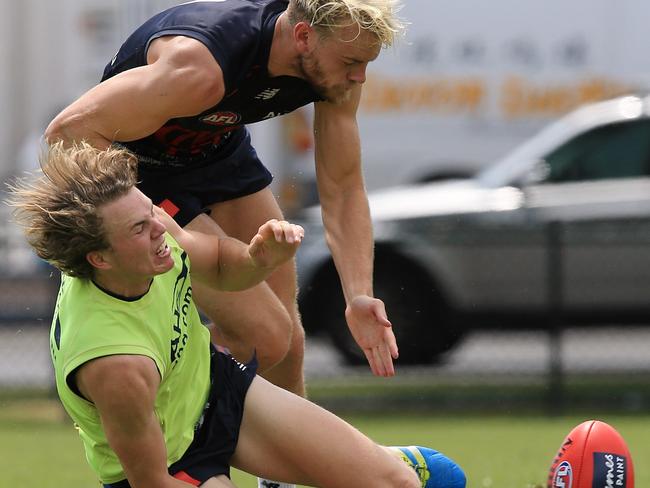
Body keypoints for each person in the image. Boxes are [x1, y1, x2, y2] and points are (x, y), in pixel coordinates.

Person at [8, 142, 466, 488]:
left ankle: (374, 462)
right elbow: (153, 483)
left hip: (218, 389)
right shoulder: (116, 363)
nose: (159, 229)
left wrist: (260, 258)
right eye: (139, 228)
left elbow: (222, 267)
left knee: (411, 481)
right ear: (100, 260)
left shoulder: (150, 236)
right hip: (171, 463)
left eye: (150, 213)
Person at [44, 1, 405, 408]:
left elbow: (342, 187)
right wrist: (141, 212)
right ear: (303, 36)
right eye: (352, 61)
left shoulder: (334, 73)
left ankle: (277, 472)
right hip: (141, 170)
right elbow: (67, 133)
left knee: (288, 344)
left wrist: (357, 295)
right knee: (265, 337)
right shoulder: (200, 66)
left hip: (217, 154)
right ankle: (136, 394)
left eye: (367, 63)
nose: (359, 76)